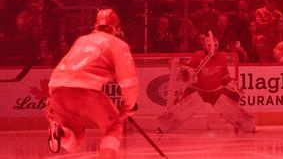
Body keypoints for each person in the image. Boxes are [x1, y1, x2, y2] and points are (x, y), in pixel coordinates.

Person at [47, 9, 139, 158]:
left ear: (96, 25)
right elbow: (129, 82)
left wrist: (51, 99)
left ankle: (61, 132)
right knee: (113, 126)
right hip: (85, 89)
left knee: (75, 141)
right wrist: (129, 106)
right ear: (117, 28)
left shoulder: (81, 40)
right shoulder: (118, 44)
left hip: (57, 90)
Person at [157, 31, 255, 133]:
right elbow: (186, 71)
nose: (213, 47)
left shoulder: (221, 57)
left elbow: (225, 77)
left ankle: (248, 125)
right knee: (182, 108)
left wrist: (231, 85)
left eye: (215, 45)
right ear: (204, 45)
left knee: (229, 105)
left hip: (216, 91)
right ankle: (164, 125)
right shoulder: (198, 56)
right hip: (198, 90)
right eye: (210, 45)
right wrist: (188, 72)